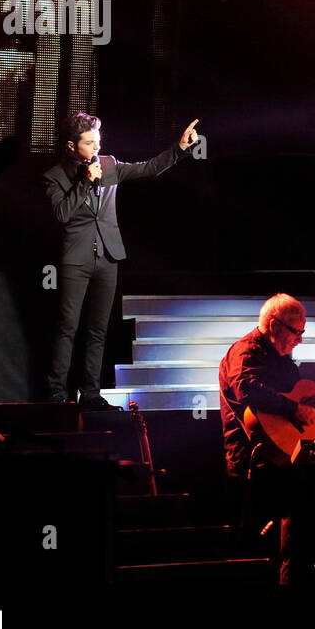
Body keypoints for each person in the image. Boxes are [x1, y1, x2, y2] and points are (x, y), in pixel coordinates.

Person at [43, 111, 200, 409]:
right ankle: (56, 394)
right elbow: (62, 214)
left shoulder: (109, 164)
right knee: (67, 327)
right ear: (71, 146)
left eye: (98, 141)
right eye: (89, 143)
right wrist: (86, 183)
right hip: (74, 260)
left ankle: (90, 392)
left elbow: (149, 169)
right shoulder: (54, 176)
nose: (96, 148)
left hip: (108, 256)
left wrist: (179, 149)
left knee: (98, 329)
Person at [219, 293, 315, 583]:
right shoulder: (245, 351)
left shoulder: (285, 361)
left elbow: (300, 406)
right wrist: (293, 408)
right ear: (274, 325)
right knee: (255, 549)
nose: (299, 339)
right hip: (251, 462)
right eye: (296, 332)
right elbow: (247, 389)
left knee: (294, 538)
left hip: (283, 459)